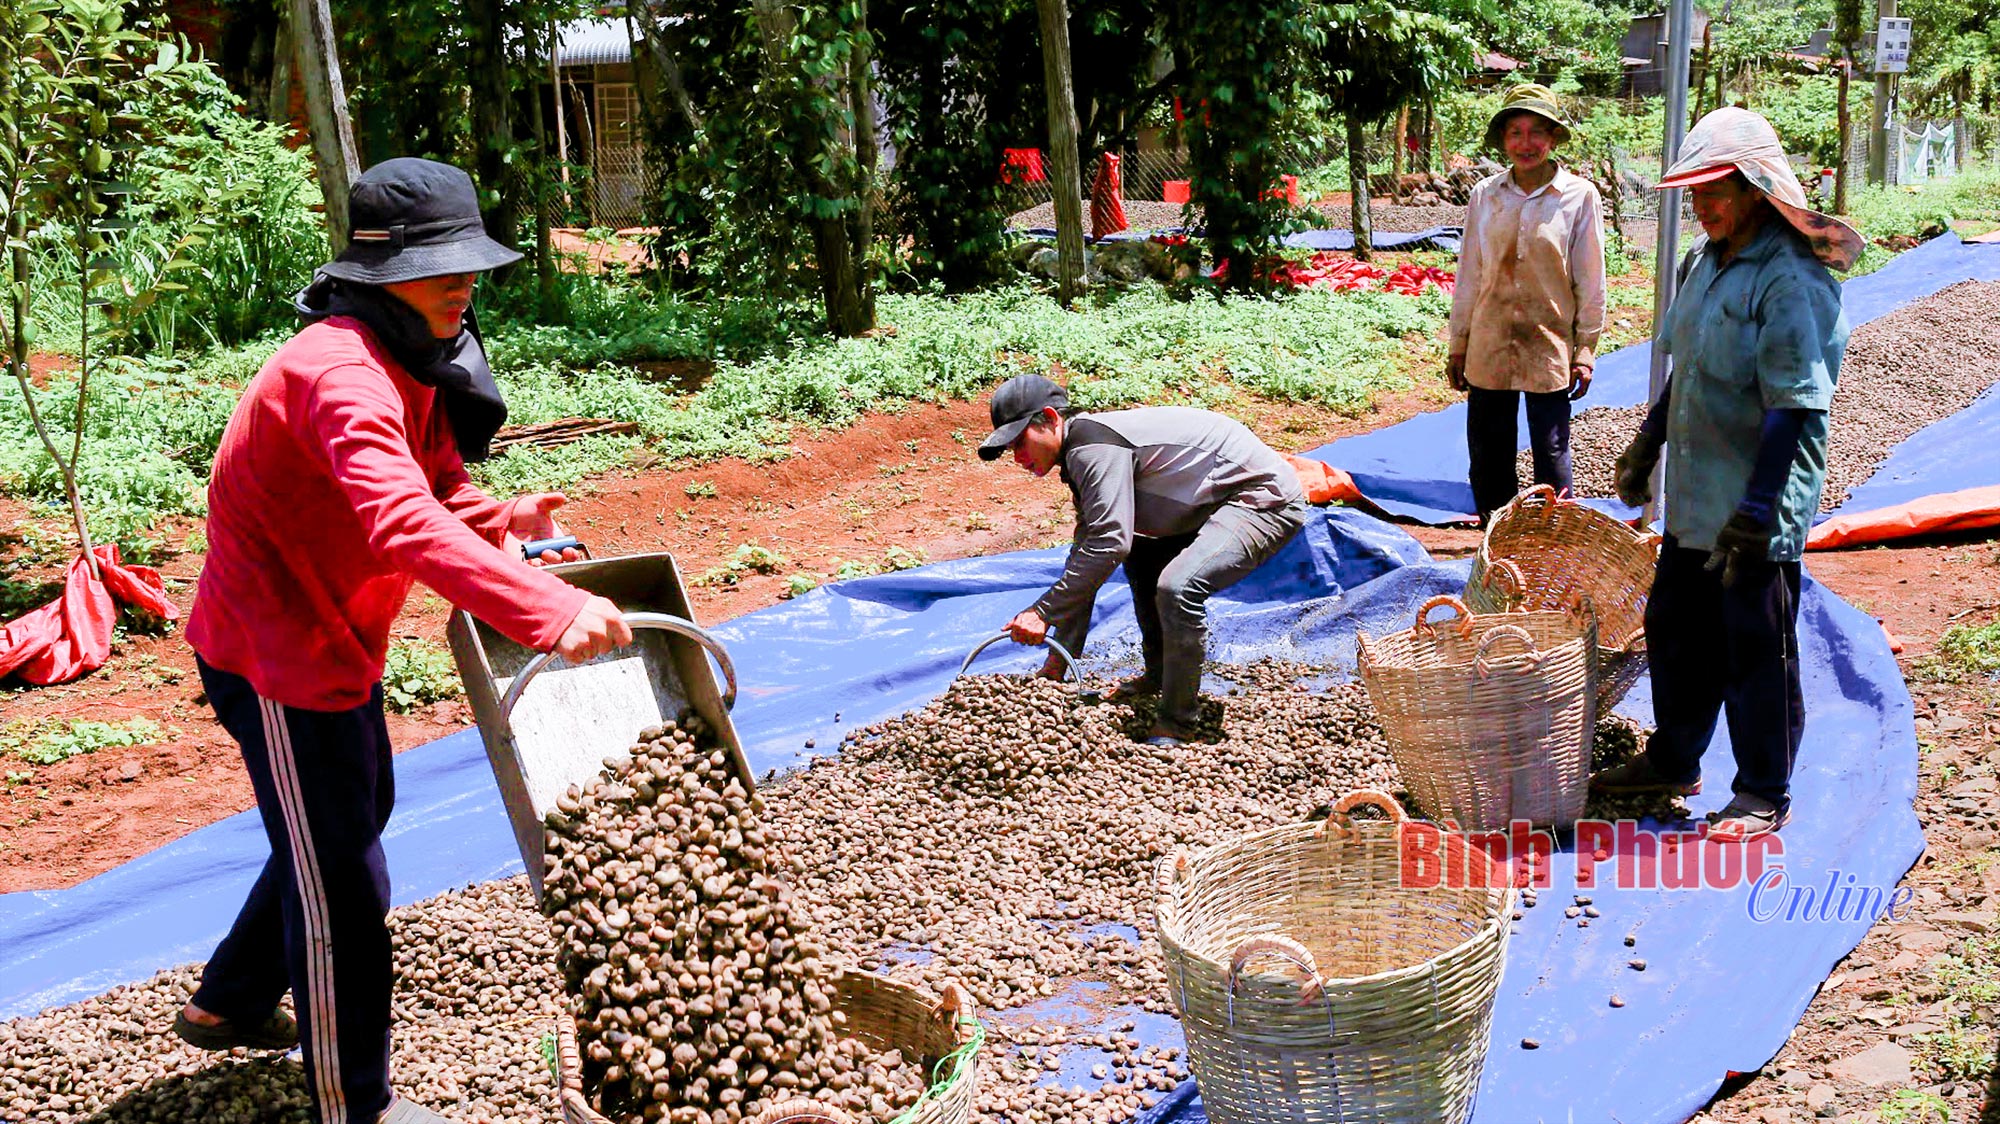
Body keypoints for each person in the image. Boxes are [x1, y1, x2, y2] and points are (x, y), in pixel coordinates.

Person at [171, 158, 634, 1124]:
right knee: (346, 879)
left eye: (469, 265)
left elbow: (438, 491)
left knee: (350, 815)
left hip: (335, 638)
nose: (463, 284)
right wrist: (543, 610)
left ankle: (228, 1000)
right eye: (440, 268)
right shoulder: (340, 373)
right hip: (276, 656)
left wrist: (502, 518)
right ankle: (356, 1105)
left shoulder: (414, 349)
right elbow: (400, 524)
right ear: (378, 272)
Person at [1592, 108, 1862, 841]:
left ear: (1754, 188)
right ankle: (1675, 758)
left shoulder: (1791, 278)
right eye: (1695, 194)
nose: (1702, 206)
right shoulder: (1706, 263)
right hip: (1699, 492)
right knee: (1675, 628)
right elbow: (1691, 367)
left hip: (1758, 493)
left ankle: (1764, 790)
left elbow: (1796, 405)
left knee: (1754, 644)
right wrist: (1648, 445)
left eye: (1715, 191)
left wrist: (1757, 508)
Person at [978, 374, 1309, 745]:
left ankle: (1177, 723)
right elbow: (1089, 552)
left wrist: (1042, 612)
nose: (1019, 459)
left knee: (1178, 587)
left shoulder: (1092, 448)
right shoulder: (1082, 452)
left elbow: (1108, 543)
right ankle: (1158, 679)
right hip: (1201, 500)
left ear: (1052, 419)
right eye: (1011, 450)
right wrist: (1058, 662)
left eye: (1020, 443)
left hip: (1261, 499)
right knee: (1140, 555)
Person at [1446, 83, 1608, 521]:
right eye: (1515, 132)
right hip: (1489, 341)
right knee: (1488, 454)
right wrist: (1458, 342)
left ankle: (1548, 543)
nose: (1526, 143)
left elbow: (1589, 279)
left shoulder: (1578, 197)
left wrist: (1586, 348)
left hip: (1548, 342)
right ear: (1503, 141)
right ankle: (1496, 546)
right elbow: (1471, 273)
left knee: (1552, 453)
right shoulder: (1486, 195)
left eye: (1537, 132)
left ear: (1553, 138)